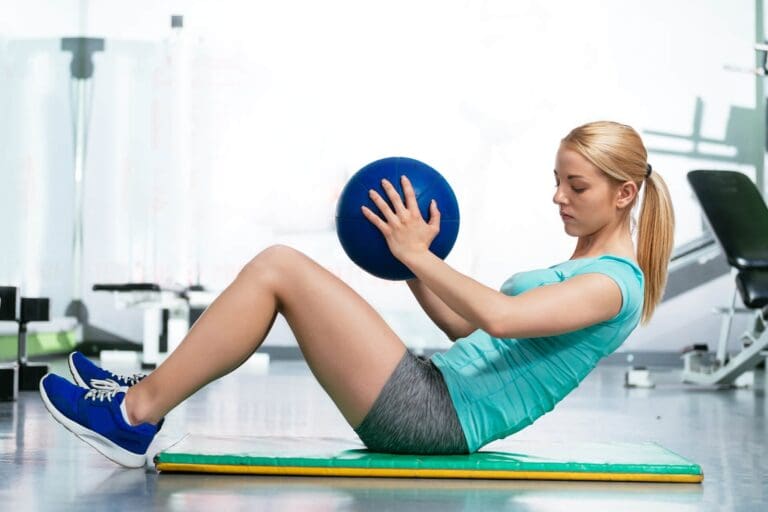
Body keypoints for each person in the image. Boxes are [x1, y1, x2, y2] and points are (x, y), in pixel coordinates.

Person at [39, 120, 674, 467]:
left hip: (437, 418)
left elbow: (502, 318)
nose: (559, 197)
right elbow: (471, 331)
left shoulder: (611, 286)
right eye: (557, 181)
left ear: (623, 194)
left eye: (576, 186)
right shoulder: (584, 266)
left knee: (278, 267)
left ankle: (131, 417)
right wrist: (408, 265)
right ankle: (144, 393)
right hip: (436, 393)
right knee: (279, 269)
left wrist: (418, 254)